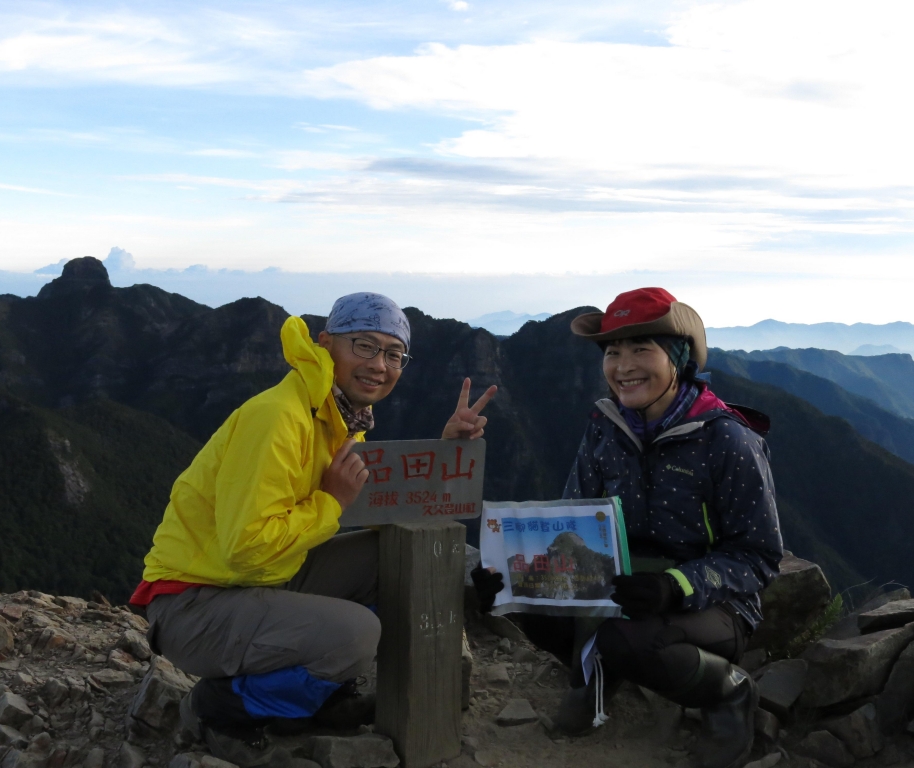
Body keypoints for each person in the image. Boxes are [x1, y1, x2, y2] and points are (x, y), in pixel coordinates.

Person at [130, 293, 497, 768]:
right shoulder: (279, 417)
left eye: (393, 354)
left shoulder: (338, 417)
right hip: (196, 602)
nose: (379, 365)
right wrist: (329, 503)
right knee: (355, 634)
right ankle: (226, 710)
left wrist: (444, 451)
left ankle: (319, 695)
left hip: (263, 580)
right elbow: (247, 549)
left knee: (394, 555)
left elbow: (369, 494)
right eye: (364, 346)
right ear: (325, 345)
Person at [472, 287, 782, 768]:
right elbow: (571, 525)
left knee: (628, 641)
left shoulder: (726, 439)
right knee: (529, 602)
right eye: (613, 351)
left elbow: (758, 555)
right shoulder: (605, 427)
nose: (624, 365)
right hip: (622, 582)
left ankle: (728, 693)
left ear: (678, 358)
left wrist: (674, 586)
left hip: (714, 602)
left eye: (642, 349)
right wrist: (509, 575)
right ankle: (596, 671)